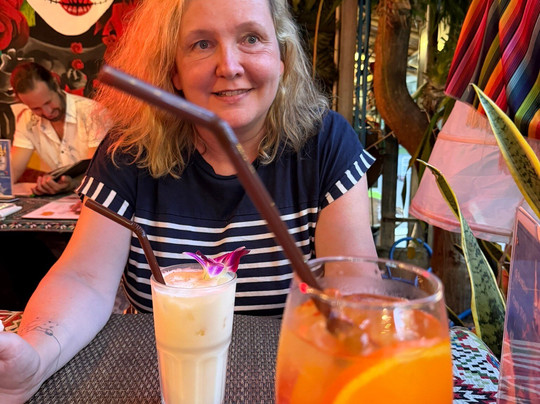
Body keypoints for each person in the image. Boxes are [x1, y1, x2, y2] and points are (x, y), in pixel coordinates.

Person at [0, 0, 377, 401]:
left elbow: (353, 280)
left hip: (298, 375)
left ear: (282, 57)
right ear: (174, 71)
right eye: (201, 44)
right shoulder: (129, 150)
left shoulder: (327, 143)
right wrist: (36, 358)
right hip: (161, 379)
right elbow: (84, 278)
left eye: (251, 38)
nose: (229, 66)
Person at [10, 62, 109, 195]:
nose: (47, 112)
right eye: (36, 108)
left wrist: (72, 184)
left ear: (56, 85)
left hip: (98, 196)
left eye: (48, 102)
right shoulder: (27, 120)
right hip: (62, 200)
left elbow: (99, 173)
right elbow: (11, 173)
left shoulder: (92, 113)